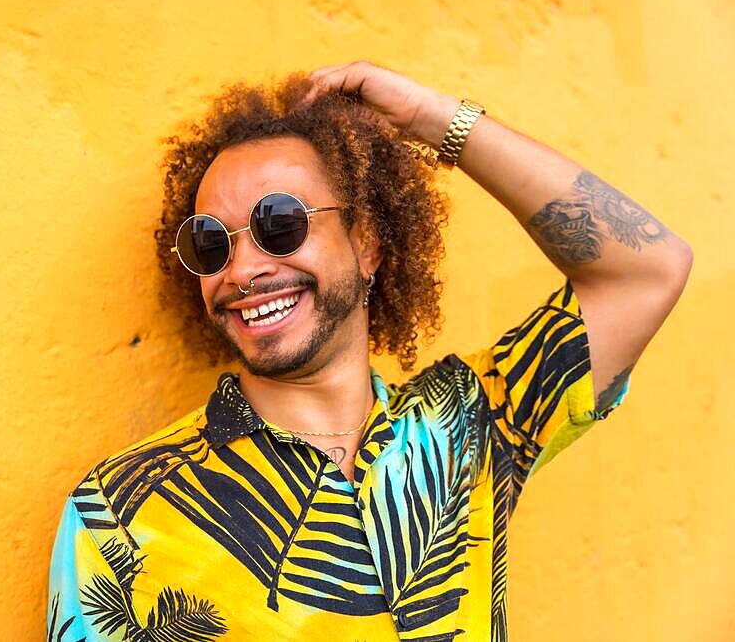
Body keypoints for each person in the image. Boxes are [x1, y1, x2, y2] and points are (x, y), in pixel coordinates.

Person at [46, 61, 692, 641]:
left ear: (368, 243)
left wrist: (432, 118)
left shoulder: (470, 426)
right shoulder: (117, 514)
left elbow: (646, 269)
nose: (242, 268)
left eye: (279, 224)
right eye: (212, 243)